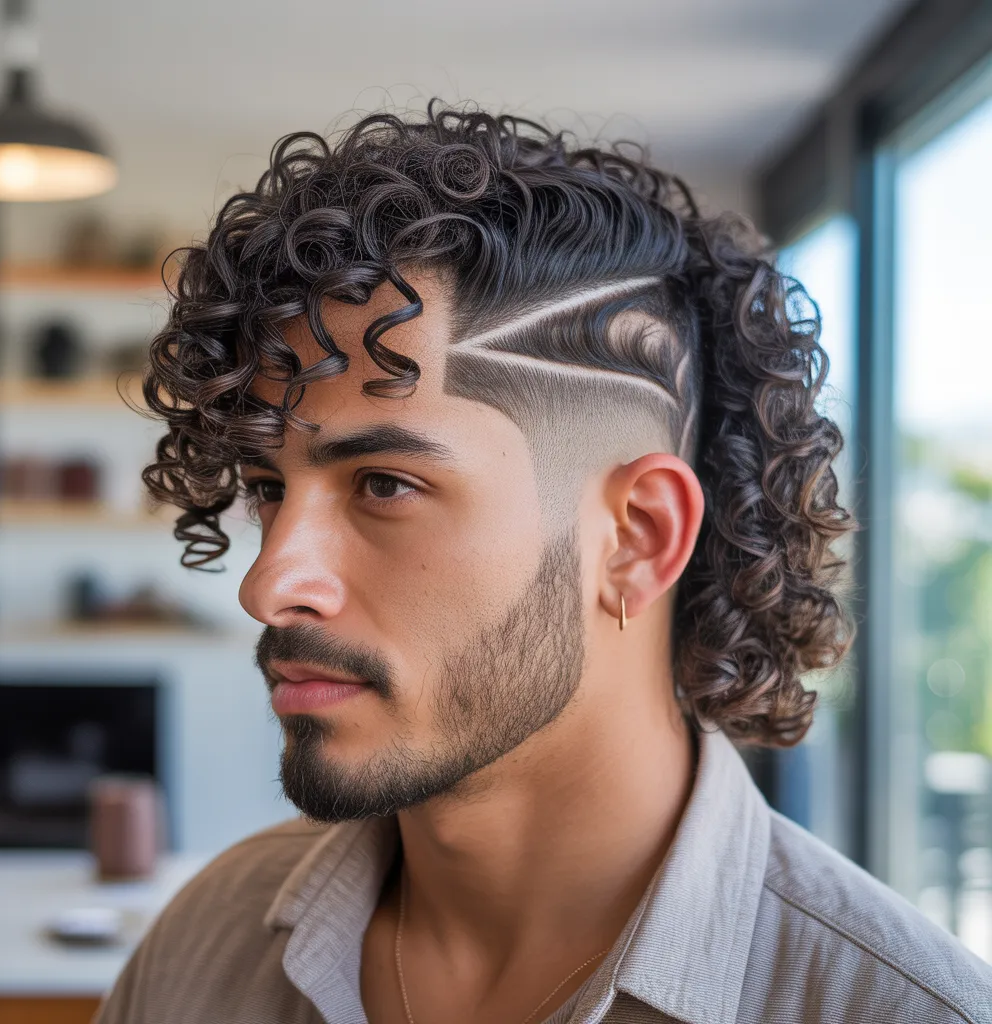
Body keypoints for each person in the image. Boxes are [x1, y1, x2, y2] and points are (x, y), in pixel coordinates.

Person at [95, 102, 992, 1024]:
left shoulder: (899, 1008)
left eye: (384, 485)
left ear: (637, 537)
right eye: (268, 488)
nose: (269, 584)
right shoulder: (204, 952)